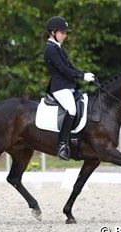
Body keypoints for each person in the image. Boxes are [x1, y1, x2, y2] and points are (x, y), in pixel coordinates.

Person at [43, 16, 96, 160]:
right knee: (71, 110)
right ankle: (62, 144)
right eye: (63, 32)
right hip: (59, 87)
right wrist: (81, 75)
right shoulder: (50, 49)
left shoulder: (58, 48)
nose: (65, 35)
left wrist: (83, 74)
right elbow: (62, 70)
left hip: (68, 86)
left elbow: (69, 67)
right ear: (53, 32)